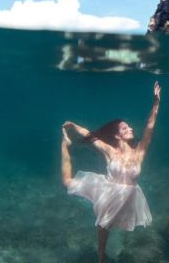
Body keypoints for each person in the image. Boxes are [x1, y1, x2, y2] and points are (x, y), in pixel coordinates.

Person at [61, 81, 161, 263]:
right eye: (125, 128)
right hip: (109, 190)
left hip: (130, 193)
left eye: (129, 127)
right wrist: (73, 126)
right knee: (69, 185)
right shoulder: (110, 151)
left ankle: (102, 255)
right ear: (117, 135)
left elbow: (149, 127)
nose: (130, 128)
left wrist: (156, 102)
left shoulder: (139, 151)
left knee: (107, 224)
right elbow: (90, 135)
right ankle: (64, 145)